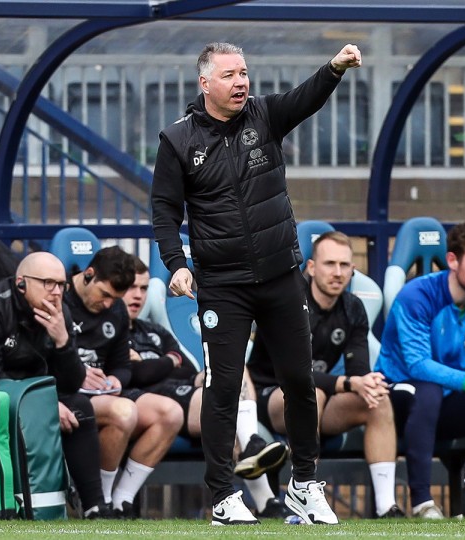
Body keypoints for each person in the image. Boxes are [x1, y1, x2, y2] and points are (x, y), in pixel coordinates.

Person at [152, 41, 362, 525]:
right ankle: (223, 496)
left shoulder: (265, 116)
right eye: (229, 75)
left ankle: (304, 486)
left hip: (281, 275)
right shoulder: (178, 140)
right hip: (222, 285)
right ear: (205, 83)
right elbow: (164, 211)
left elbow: (305, 98)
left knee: (299, 381)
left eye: (244, 72)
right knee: (223, 388)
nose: (241, 82)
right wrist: (176, 263)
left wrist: (334, 68)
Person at [120, 256, 292, 519]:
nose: (138, 295)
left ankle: (258, 473)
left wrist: (167, 366)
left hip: (185, 393)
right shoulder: (114, 333)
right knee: (220, 407)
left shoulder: (155, 331)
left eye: (143, 288)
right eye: (130, 287)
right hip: (155, 403)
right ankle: (262, 485)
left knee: (232, 369)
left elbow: (182, 367)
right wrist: (166, 363)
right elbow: (136, 374)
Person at [249, 231, 403, 519]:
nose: (338, 272)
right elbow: (292, 373)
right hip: (269, 397)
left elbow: (358, 372)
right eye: (330, 264)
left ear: (353, 270)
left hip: (317, 398)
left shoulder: (353, 307)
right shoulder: (287, 304)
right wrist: (349, 382)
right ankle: (304, 494)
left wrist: (367, 383)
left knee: (377, 400)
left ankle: (386, 507)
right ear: (311, 267)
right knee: (311, 394)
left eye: (344, 265)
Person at [374, 221, 465, 519]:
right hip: (397, 397)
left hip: (448, 399)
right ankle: (423, 503)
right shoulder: (417, 296)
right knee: (427, 391)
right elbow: (418, 365)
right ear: (453, 260)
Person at [0, 251, 109, 518]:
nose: (56, 292)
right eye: (47, 283)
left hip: (33, 393)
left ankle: (95, 507)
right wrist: (43, 406)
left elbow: (72, 383)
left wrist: (62, 341)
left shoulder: (60, 313)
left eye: (61, 284)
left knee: (81, 407)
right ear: (21, 283)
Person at [62, 246, 183, 518]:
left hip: (105, 393)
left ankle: (121, 501)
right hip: (65, 393)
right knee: (124, 412)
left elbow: (122, 365)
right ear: (88, 275)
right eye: (104, 295)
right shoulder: (60, 298)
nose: (108, 304)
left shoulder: (116, 308)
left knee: (170, 413)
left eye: (114, 298)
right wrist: (77, 372)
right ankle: (98, 500)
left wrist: (116, 379)